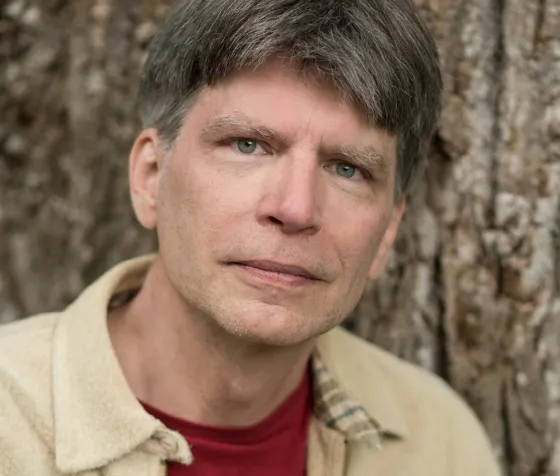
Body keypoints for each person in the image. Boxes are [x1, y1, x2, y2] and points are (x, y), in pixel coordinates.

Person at [0, 0, 501, 475]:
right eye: (248, 145)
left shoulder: (439, 441)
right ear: (151, 176)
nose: (296, 208)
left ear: (388, 230)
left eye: (347, 169)